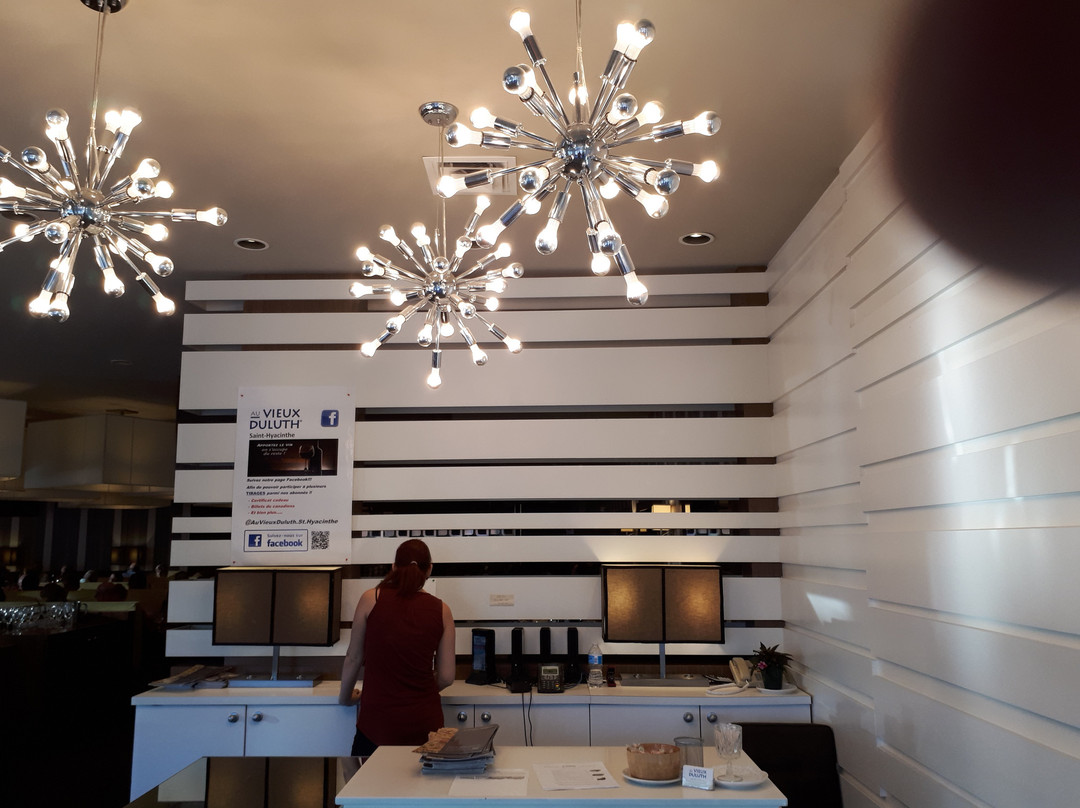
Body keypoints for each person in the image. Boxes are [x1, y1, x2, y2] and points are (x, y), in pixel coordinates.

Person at [338, 539, 455, 759]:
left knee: (361, 780)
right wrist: (419, 694)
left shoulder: (371, 599)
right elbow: (447, 677)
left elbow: (353, 657)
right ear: (429, 569)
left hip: (376, 724)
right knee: (421, 781)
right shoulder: (442, 610)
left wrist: (345, 698)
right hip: (425, 725)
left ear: (393, 567)